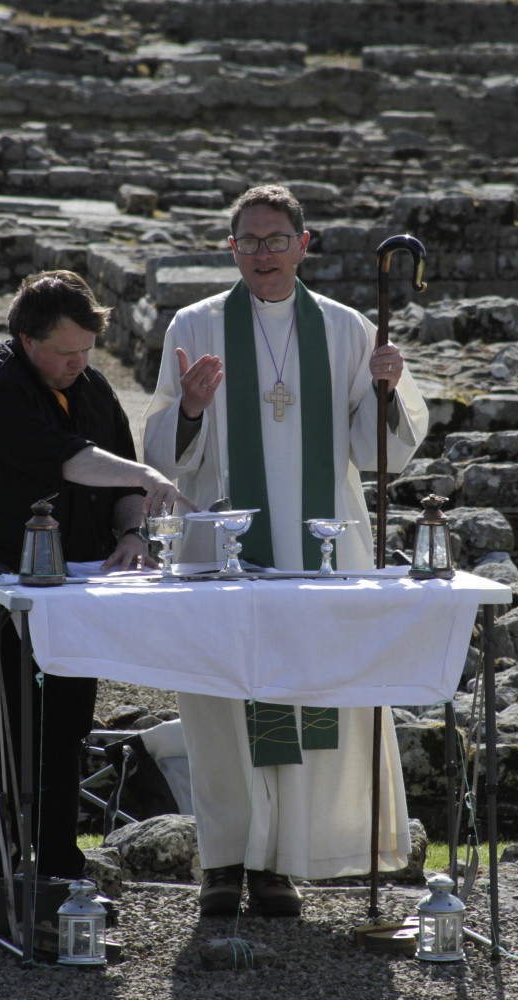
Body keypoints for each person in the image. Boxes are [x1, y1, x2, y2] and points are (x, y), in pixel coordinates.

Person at [142, 185, 430, 917]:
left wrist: (386, 389)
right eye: (247, 241)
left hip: (320, 548)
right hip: (223, 549)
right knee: (223, 702)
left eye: (275, 240)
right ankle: (225, 862)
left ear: (306, 245)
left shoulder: (345, 329)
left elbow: (377, 448)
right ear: (230, 247)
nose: (261, 254)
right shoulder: (196, 324)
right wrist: (193, 411)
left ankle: (282, 863)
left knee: (309, 698)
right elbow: (159, 449)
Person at [0, 270, 189, 918]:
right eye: (65, 353)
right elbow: (72, 460)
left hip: (76, 592)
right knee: (7, 726)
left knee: (69, 724)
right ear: (26, 338)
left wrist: (132, 531)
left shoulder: (93, 387)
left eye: (86, 353)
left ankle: (57, 865)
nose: (78, 365)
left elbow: (122, 482)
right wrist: (145, 475)